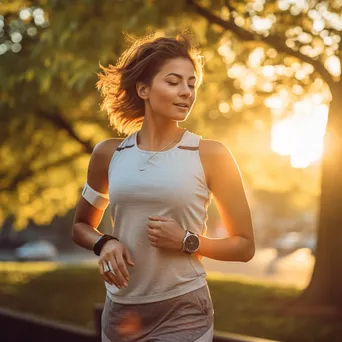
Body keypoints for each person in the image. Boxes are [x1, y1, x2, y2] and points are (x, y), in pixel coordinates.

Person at [72, 32, 255, 342]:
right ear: (143, 89)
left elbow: (245, 245)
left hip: (183, 310)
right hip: (120, 311)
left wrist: (187, 240)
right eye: (173, 82)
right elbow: (80, 226)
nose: (186, 92)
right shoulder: (108, 154)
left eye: (191, 83)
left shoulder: (211, 154)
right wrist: (105, 243)